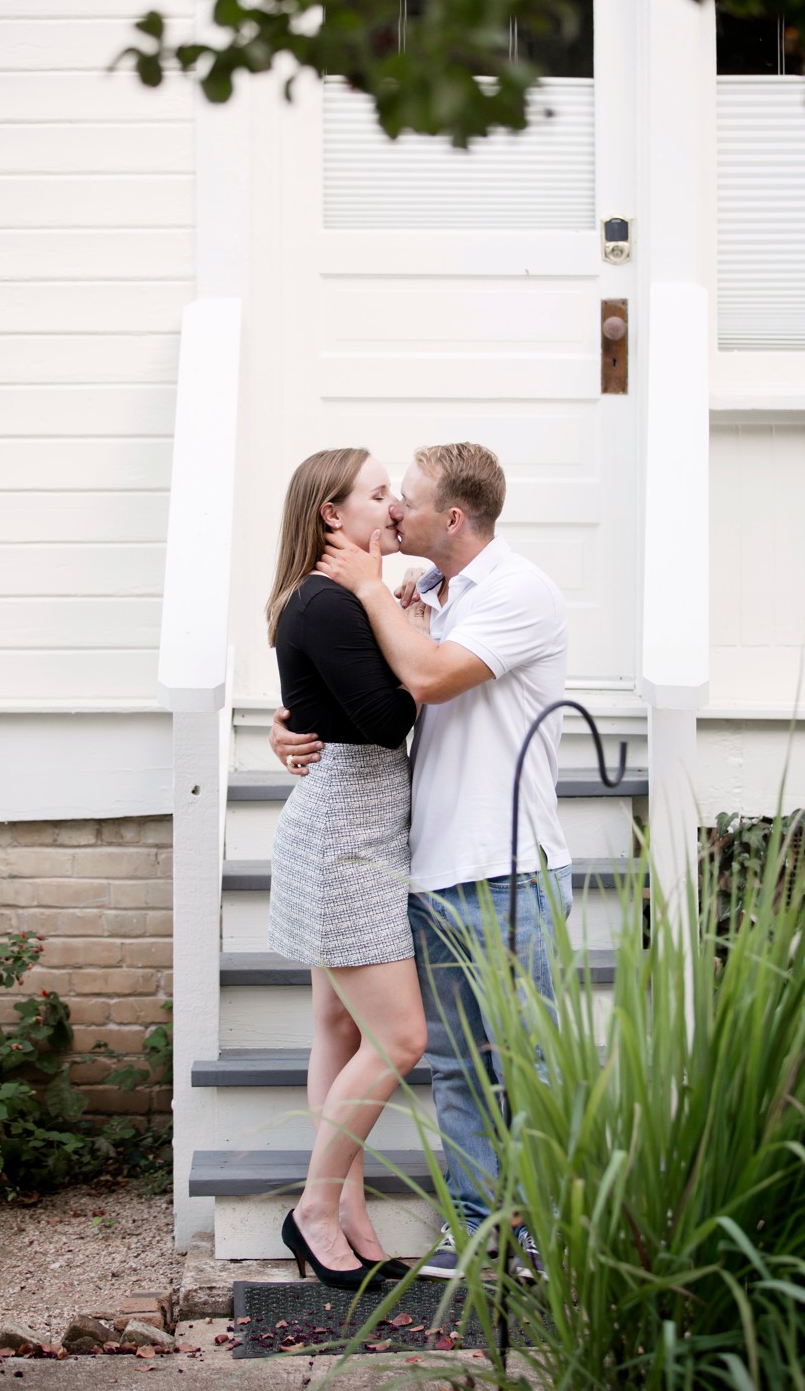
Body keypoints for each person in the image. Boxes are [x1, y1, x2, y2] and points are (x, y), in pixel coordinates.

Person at [272, 441, 572, 1281]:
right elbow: (345, 685)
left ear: (452, 516)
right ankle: (476, 1235)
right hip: (424, 859)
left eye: (404, 498)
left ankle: (540, 1232)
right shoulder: (425, 593)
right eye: (383, 496)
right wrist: (291, 721)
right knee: (452, 1065)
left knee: (528, 1064)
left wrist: (374, 593)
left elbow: (427, 682)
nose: (394, 511)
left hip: (509, 863)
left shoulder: (516, 591)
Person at [263, 448, 428, 1288]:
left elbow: (325, 708)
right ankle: (316, 1209)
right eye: (376, 492)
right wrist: (408, 627)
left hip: (351, 824)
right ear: (333, 515)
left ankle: (351, 1212)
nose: (394, 502)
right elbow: (391, 713)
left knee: (338, 1030)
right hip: (345, 839)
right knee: (399, 1038)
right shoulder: (332, 601)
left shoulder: (331, 600)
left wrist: (389, 605)